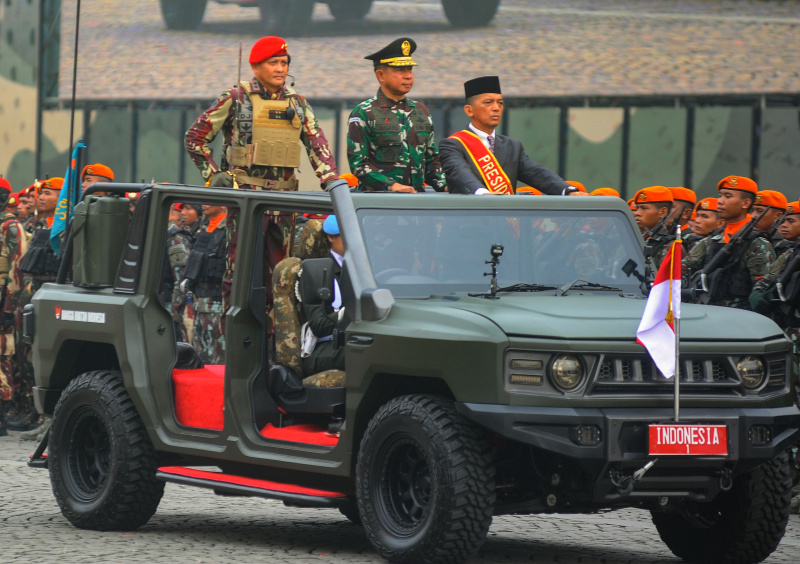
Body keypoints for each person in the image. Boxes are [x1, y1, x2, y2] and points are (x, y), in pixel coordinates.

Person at [185, 36, 338, 191]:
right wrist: (213, 174)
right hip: (244, 201)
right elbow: (194, 138)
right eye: (273, 63)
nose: (280, 69)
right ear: (255, 67)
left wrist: (331, 181)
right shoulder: (236, 98)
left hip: (285, 201)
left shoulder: (298, 103)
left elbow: (318, 146)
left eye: (284, 63)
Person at [439, 76, 577, 196]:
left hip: (503, 223)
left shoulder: (512, 146)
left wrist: (568, 190)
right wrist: (483, 193)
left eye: (500, 103)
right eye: (488, 102)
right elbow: (460, 173)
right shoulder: (453, 144)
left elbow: (536, 173)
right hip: (466, 221)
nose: (496, 108)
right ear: (469, 110)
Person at [347, 37, 446, 193]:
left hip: (418, 206)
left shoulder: (421, 111)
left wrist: (445, 185)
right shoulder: (364, 113)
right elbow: (359, 165)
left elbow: (432, 160)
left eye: (410, 69)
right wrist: (392, 186)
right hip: (378, 205)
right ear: (381, 75)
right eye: (400, 70)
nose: (408, 76)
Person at [682, 175, 775, 309]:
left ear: (745, 203)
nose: (720, 201)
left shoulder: (758, 243)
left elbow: (761, 293)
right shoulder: (712, 240)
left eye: (728, 196)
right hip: (708, 313)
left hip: (738, 319)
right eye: (720, 196)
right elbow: (684, 267)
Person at [301, 215, 346, 375]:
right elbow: (318, 325)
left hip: (357, 339)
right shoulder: (317, 271)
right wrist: (346, 313)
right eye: (348, 235)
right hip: (325, 346)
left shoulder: (361, 267)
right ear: (331, 236)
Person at [183, 205, 227, 364]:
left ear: (223, 205)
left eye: (212, 199)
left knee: (218, 359)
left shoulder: (229, 230)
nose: (205, 203)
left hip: (217, 304)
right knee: (200, 359)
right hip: (199, 303)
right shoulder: (203, 228)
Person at [632, 186, 675, 269]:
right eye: (637, 208)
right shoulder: (638, 239)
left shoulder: (670, 247)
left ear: (662, 212)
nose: (637, 213)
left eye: (644, 208)